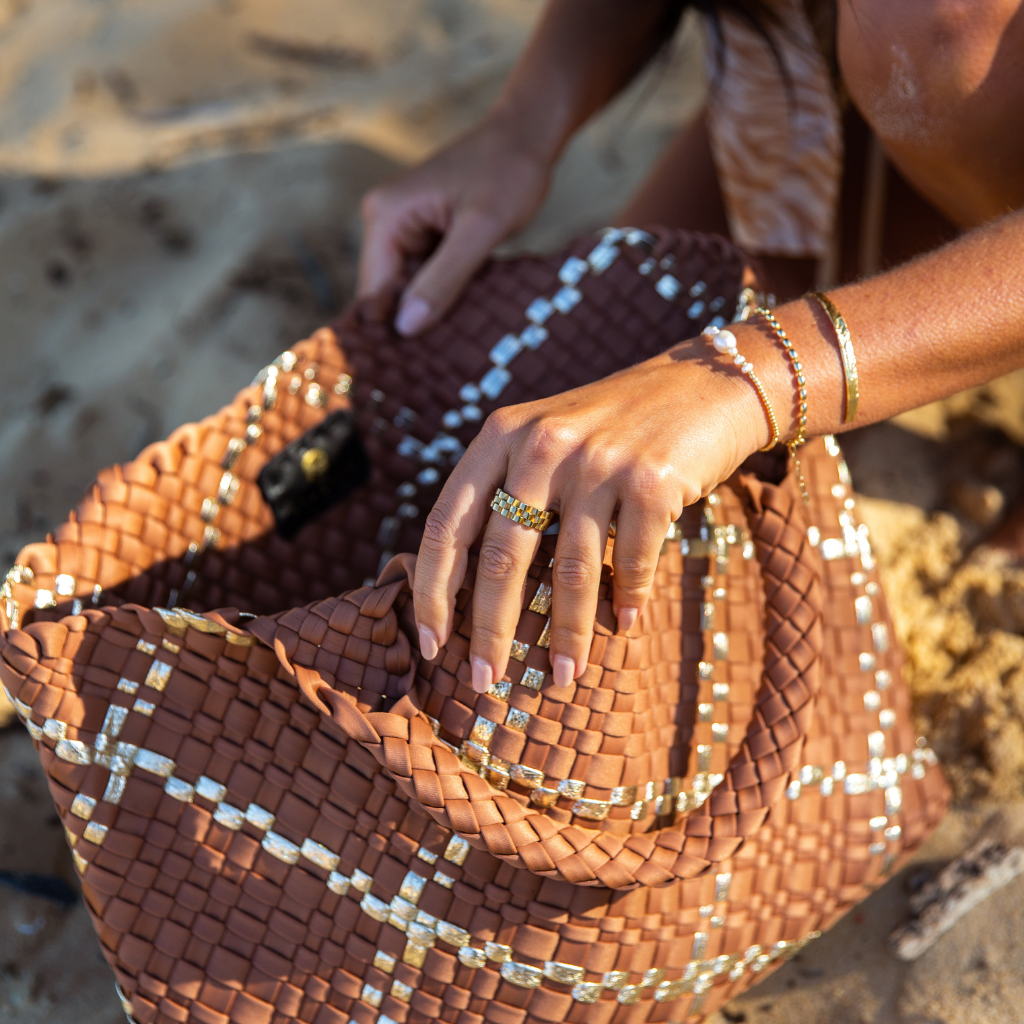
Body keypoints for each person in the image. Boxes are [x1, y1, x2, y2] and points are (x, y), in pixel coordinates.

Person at [355, 0, 1024, 696]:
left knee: (935, 26)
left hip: (929, 41)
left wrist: (752, 376)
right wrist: (523, 123)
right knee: (596, 372)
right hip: (804, 48)